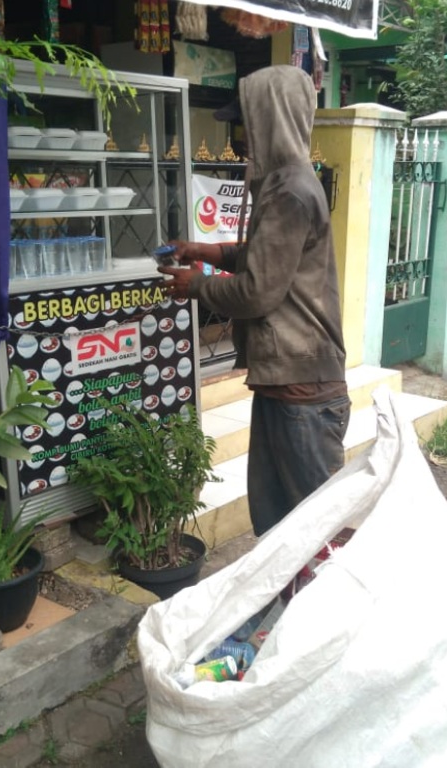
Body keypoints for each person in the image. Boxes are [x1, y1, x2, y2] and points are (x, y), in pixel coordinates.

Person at [158, 65, 349, 537]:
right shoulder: (283, 185)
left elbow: (259, 291)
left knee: (315, 534)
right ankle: (292, 610)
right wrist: (209, 251)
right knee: (280, 530)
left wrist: (196, 285)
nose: (241, 135)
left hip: (303, 391)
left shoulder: (291, 193)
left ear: (271, 119)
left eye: (246, 122)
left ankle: (336, 611)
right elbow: (266, 258)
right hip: (285, 386)